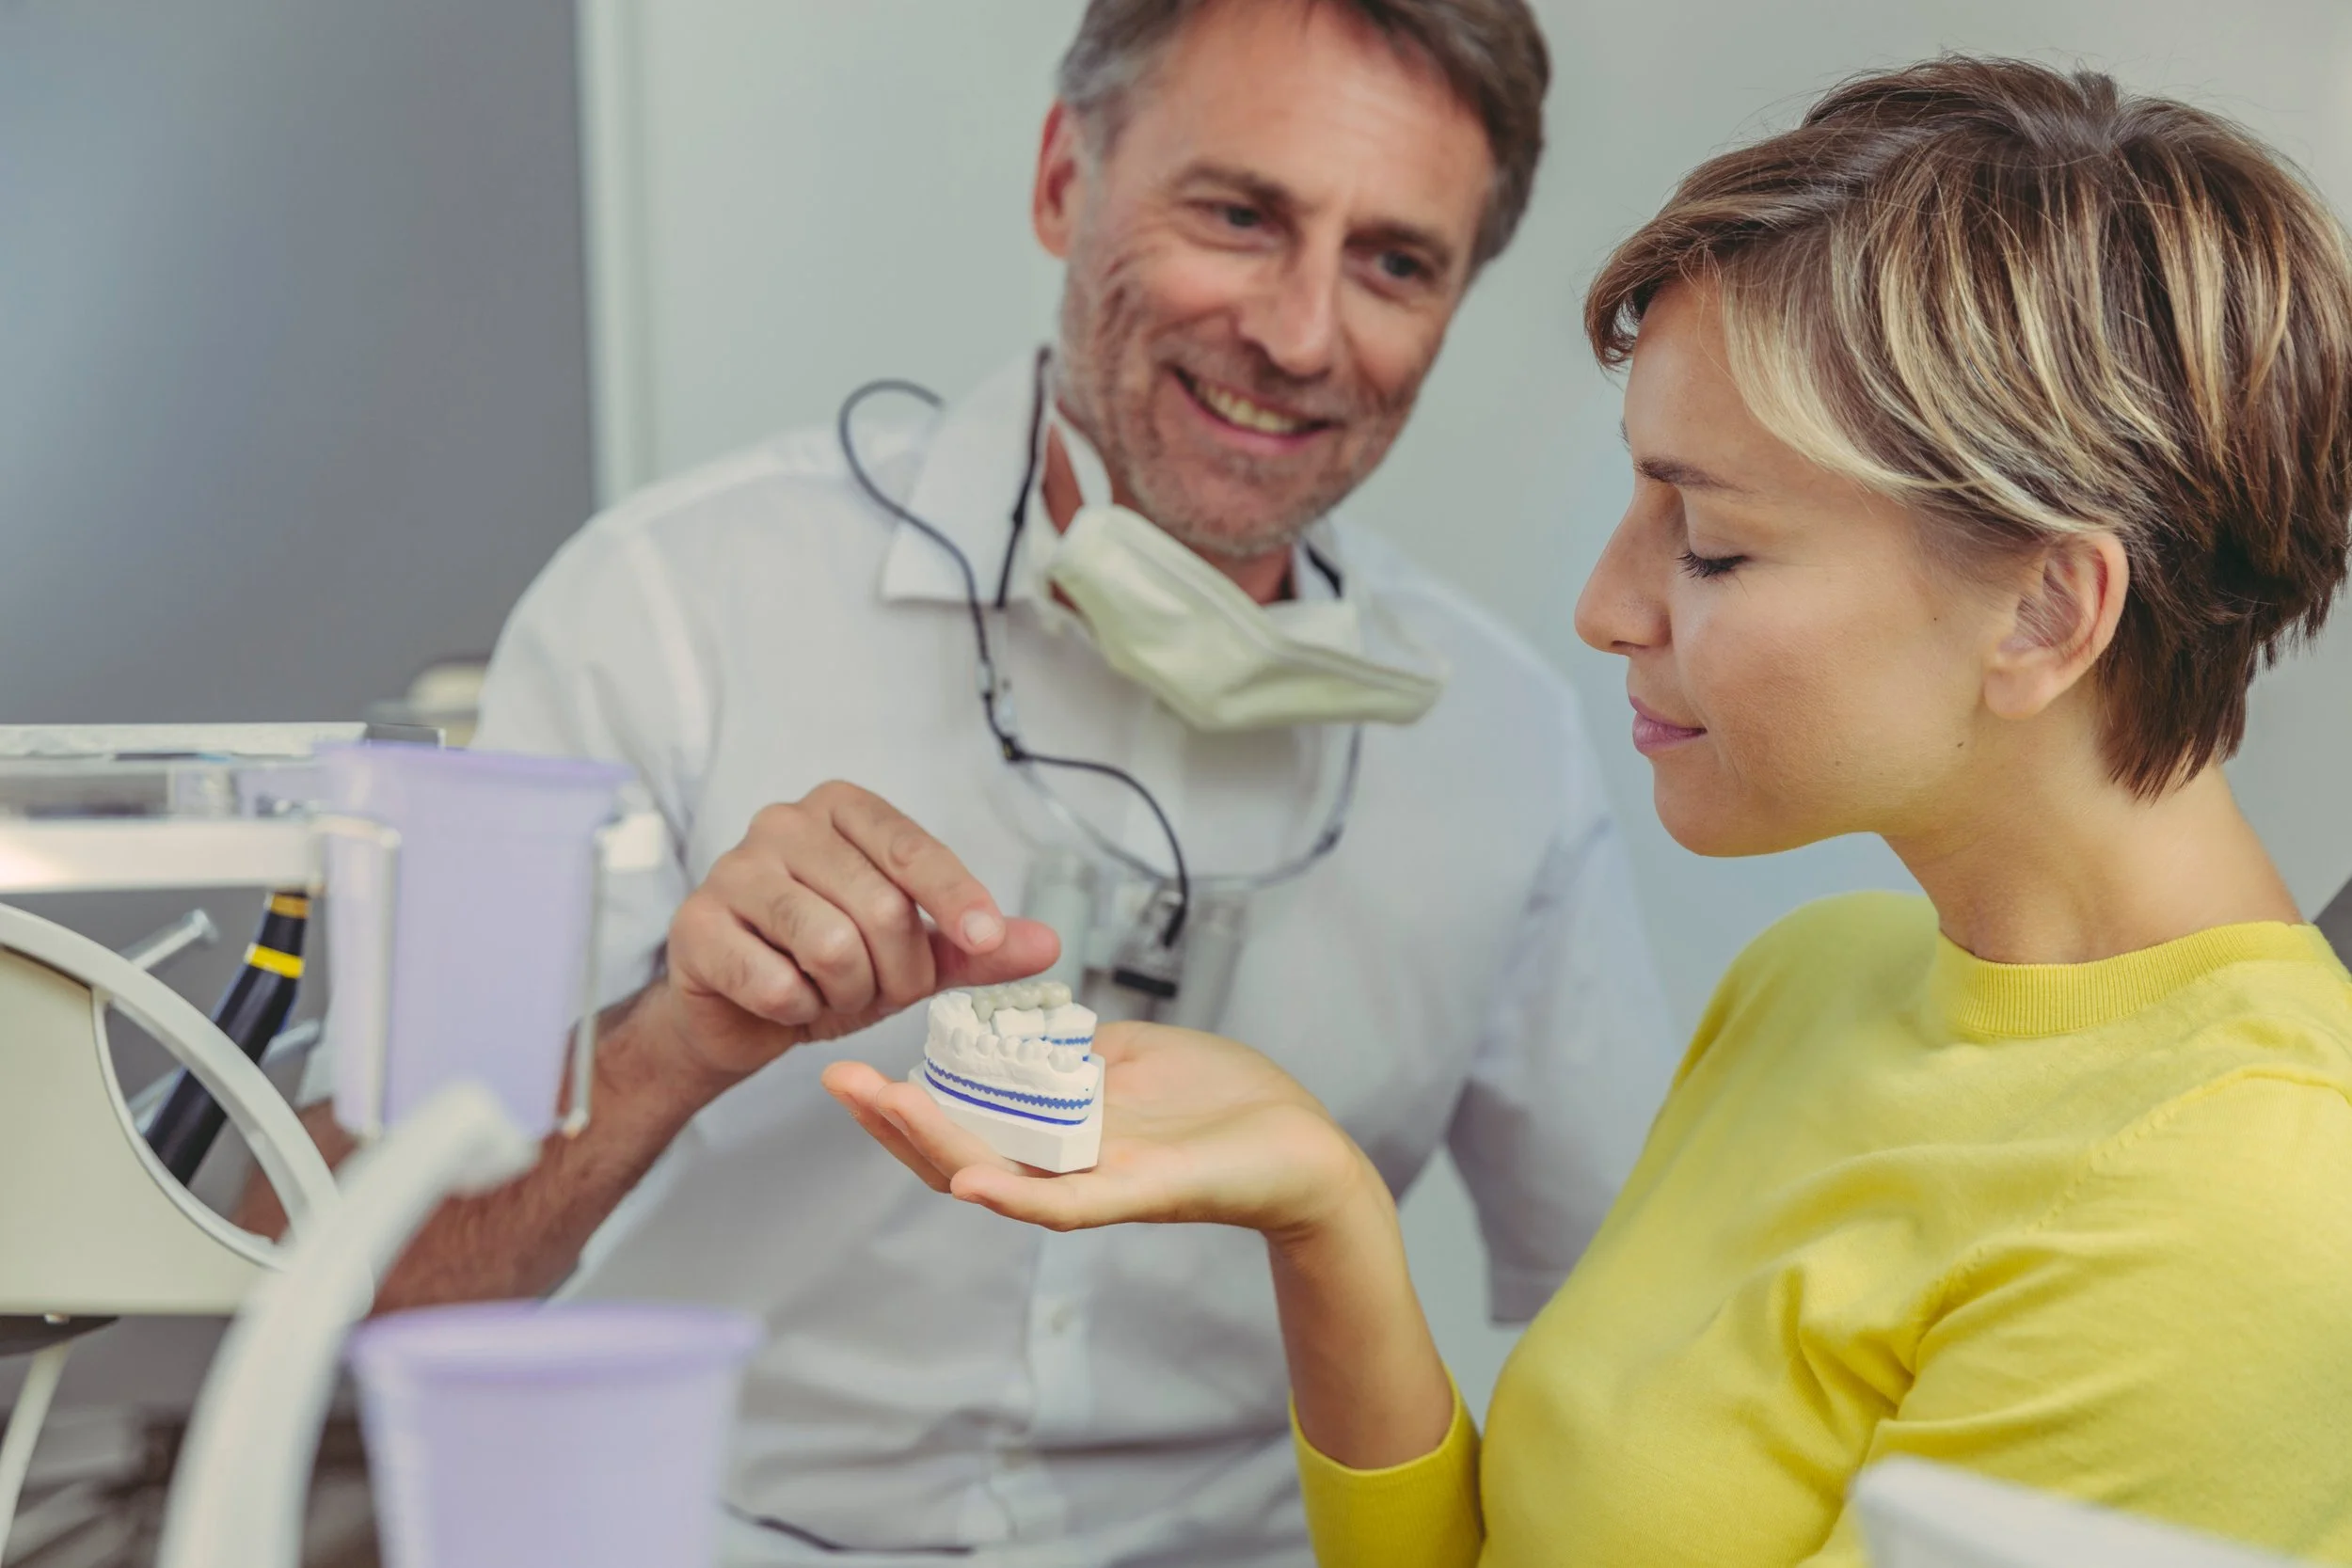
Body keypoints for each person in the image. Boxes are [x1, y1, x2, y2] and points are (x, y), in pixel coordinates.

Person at [827, 56, 2352, 1566]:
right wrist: (1325, 1208)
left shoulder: (2241, 1200)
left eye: (1712, 545)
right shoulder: (1815, 981)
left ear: (2043, 610)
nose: (1604, 604)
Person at [243, 1, 1674, 1563]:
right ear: (1066, 176)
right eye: (1239, 215)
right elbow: (322, 1280)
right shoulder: (671, 607)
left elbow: (1635, 1340)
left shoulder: (1504, 746)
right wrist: (673, 1040)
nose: (1302, 332)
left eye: (1396, 262)